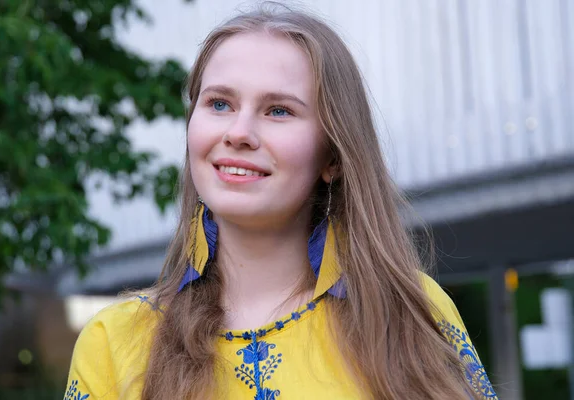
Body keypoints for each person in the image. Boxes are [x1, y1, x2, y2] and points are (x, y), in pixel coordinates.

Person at [64, 4, 497, 400]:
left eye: (278, 111)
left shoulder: (411, 313)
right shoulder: (114, 342)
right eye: (219, 103)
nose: (238, 132)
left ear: (332, 155)